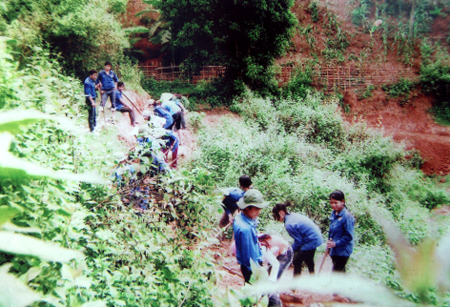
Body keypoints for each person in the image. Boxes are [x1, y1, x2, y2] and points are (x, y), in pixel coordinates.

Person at [234, 189, 281, 307]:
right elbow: (250, 257)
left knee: (251, 298)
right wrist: (260, 271)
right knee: (273, 300)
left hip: (249, 267)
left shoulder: (242, 218)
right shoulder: (245, 229)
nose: (258, 212)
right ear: (247, 208)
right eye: (256, 209)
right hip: (253, 269)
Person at [273, 202, 323, 276]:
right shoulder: (292, 215)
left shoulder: (289, 224)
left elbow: (299, 241)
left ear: (280, 213)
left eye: (275, 216)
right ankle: (313, 279)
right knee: (309, 260)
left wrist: (289, 250)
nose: (276, 218)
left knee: (297, 261)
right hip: (315, 237)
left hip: (311, 240)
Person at [326, 190, 355, 273]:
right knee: (341, 275)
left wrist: (335, 244)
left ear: (343, 202)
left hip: (343, 252)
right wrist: (328, 246)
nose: (333, 205)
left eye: (335, 202)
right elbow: (331, 231)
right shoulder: (334, 214)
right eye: (331, 203)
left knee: (335, 275)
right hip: (334, 251)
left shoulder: (347, 217)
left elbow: (349, 236)